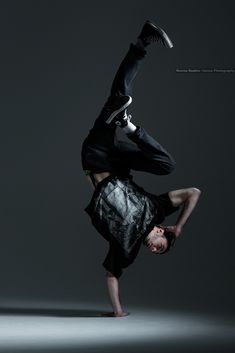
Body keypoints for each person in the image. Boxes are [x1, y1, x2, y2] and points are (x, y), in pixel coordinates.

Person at [81, 20, 201, 317]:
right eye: (162, 245)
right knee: (167, 165)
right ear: (161, 230)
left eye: (156, 252)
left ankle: (120, 110)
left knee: (117, 99)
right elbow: (193, 193)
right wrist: (180, 226)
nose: (156, 249)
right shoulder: (158, 210)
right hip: (119, 162)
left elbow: (111, 274)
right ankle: (128, 125)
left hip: (95, 159)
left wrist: (118, 311)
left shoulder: (128, 246)